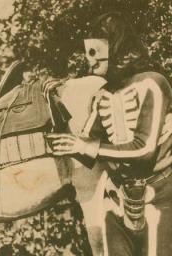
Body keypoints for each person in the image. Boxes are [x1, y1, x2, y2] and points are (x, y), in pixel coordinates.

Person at [48, 12, 172, 256]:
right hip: (117, 198)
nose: (90, 61)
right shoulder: (102, 95)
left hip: (162, 197)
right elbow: (84, 148)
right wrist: (60, 139)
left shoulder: (153, 84)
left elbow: (145, 150)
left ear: (117, 49)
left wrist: (85, 147)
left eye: (95, 52)